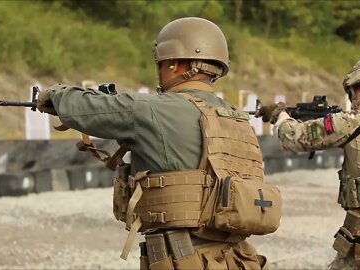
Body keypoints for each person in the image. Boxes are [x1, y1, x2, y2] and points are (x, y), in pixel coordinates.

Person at [37, 17, 281, 269]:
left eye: (161, 64)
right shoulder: (237, 118)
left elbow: (89, 110)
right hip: (236, 259)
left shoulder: (154, 109)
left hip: (184, 258)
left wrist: (54, 95)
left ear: (174, 63)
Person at [256, 50, 360, 269]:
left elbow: (292, 138)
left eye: (353, 94)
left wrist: (279, 115)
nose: (354, 100)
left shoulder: (352, 122)